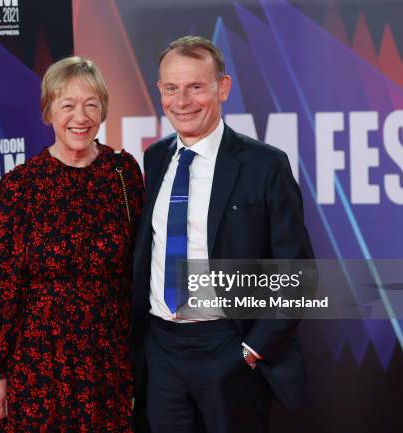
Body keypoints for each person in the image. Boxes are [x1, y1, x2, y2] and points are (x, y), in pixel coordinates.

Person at [131, 36, 315, 433]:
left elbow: (297, 273)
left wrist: (251, 351)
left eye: (196, 86)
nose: (182, 101)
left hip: (227, 347)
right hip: (161, 351)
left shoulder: (264, 164)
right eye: (171, 88)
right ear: (159, 91)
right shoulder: (155, 158)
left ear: (222, 88)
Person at [0, 56, 144, 433]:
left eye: (91, 104)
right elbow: (2, 287)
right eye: (67, 105)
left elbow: (139, 266)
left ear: (103, 110)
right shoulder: (20, 186)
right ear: (49, 111)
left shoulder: (123, 172)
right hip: (40, 364)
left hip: (109, 361)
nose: (79, 117)